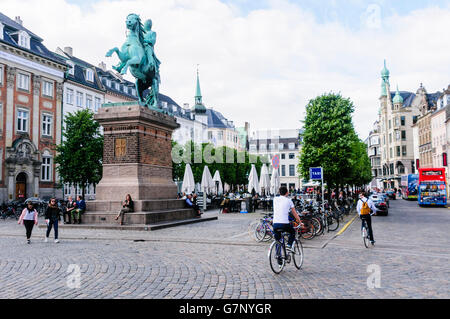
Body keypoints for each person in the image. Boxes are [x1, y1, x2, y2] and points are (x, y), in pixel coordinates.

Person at [272, 186, 301, 254]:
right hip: (284, 224)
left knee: (278, 241)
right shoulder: (289, 200)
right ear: (287, 193)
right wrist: (300, 222)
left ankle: (279, 259)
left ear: (279, 192)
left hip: (275, 224)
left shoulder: (275, 199)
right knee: (292, 231)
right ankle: (289, 245)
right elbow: (294, 213)